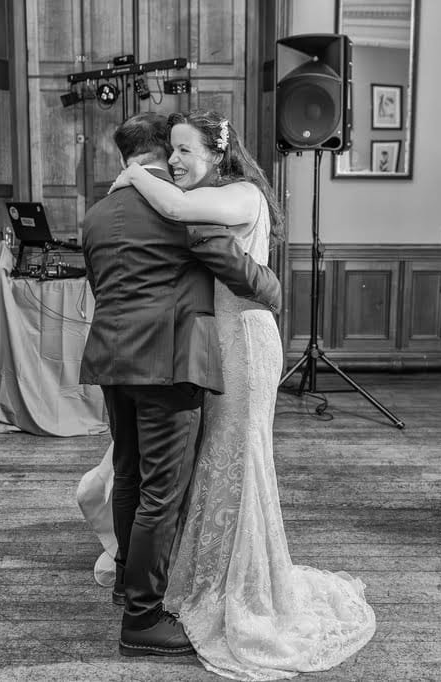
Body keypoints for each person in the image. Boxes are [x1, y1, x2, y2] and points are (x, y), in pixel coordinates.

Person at [100, 110, 376, 679]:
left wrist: (134, 175)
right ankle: (202, 574)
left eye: (184, 150)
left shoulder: (241, 193)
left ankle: (243, 583)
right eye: (169, 151)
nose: (174, 161)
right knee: (207, 466)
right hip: (206, 342)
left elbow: (181, 216)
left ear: (219, 154)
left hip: (243, 342)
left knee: (239, 459)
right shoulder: (203, 196)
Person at [79, 112, 283, 659]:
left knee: (127, 473)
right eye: (173, 152)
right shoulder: (179, 209)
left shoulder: (97, 215)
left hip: (110, 358)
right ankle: (143, 621)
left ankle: (126, 580)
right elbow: (234, 268)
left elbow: (102, 284)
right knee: (160, 494)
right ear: (161, 156)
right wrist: (275, 288)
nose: (177, 162)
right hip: (168, 361)